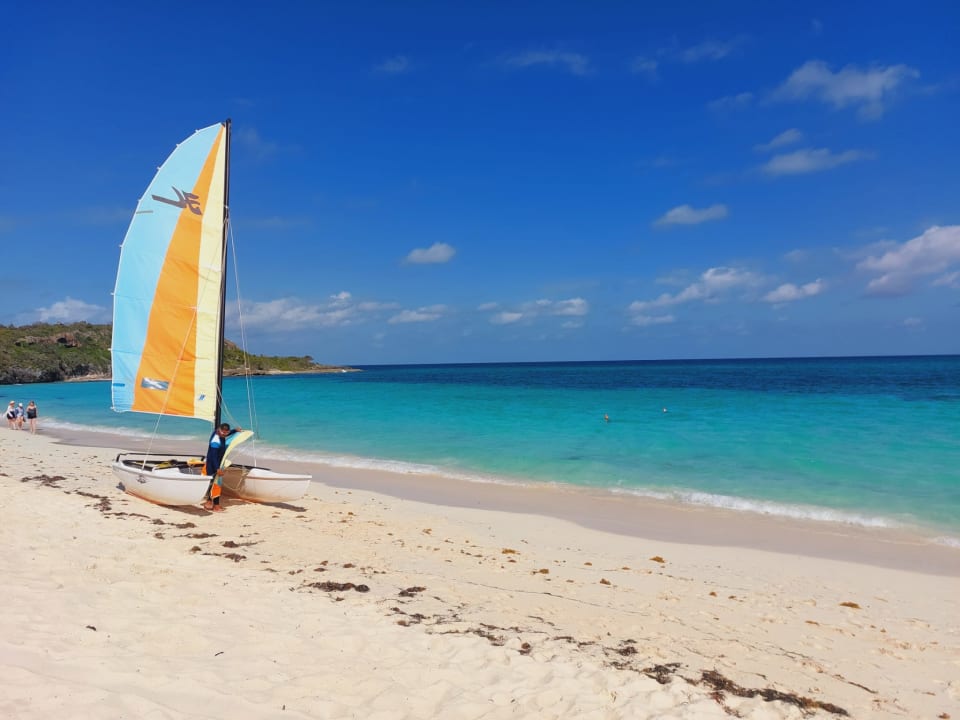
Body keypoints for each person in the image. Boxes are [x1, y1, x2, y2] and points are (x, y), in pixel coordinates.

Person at [203, 422, 241, 512]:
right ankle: (215, 505)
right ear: (219, 430)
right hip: (212, 463)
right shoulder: (215, 441)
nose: (224, 434)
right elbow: (213, 456)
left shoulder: (221, 433)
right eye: (222, 432)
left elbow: (226, 433)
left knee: (214, 483)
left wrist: (235, 430)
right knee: (215, 483)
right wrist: (217, 468)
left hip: (217, 463)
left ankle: (210, 501)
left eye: (226, 433)